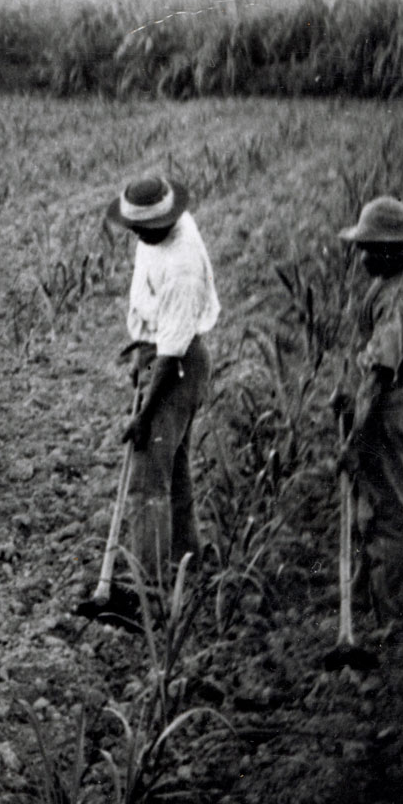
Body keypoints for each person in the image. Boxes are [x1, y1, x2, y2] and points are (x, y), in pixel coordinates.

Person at [110, 174, 219, 590]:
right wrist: (141, 344)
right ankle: (184, 560)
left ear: (163, 223)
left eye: (142, 228)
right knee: (172, 467)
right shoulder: (158, 233)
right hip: (164, 353)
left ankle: (148, 583)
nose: (136, 235)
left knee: (146, 482)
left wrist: (144, 416)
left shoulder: (183, 266)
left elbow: (172, 353)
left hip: (177, 365)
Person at [335, 196, 403, 637]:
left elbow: (380, 375)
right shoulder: (394, 281)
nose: (361, 255)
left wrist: (353, 441)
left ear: (394, 250)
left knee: (387, 514)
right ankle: (369, 593)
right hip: (387, 407)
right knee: (373, 507)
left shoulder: (400, 299)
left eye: (368, 248)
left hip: (386, 413)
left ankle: (402, 620)